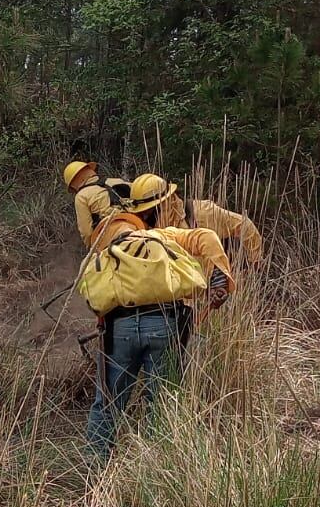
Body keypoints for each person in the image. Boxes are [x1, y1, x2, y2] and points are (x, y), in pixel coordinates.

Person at [84, 187, 234, 456]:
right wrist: (220, 276)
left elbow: (95, 296)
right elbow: (207, 238)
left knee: (107, 404)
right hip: (164, 324)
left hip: (120, 328)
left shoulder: (110, 248)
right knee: (163, 403)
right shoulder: (160, 236)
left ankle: (94, 475)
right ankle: (157, 471)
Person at [126, 173, 264, 267]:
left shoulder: (203, 213)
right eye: (140, 213)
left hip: (214, 288)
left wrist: (255, 260)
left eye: (147, 212)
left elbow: (245, 224)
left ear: (164, 203)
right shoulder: (141, 227)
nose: (143, 217)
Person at [63, 161, 144, 250]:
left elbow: (86, 232)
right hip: (137, 224)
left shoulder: (81, 196)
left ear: (74, 184)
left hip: (109, 235)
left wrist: (92, 249)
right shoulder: (116, 181)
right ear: (90, 171)